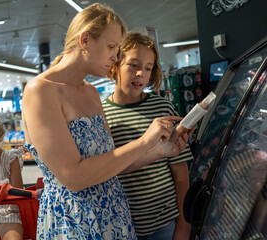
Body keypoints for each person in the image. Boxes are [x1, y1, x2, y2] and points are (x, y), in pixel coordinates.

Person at [22, 3, 188, 239]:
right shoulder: (40, 91)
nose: (115, 56)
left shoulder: (90, 92)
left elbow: (110, 164)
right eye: (111, 47)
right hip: (75, 221)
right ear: (85, 40)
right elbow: (74, 177)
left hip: (115, 215)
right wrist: (144, 141)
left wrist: (159, 151)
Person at [102, 32, 193, 240]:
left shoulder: (163, 107)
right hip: (118, 226)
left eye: (148, 68)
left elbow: (180, 171)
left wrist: (183, 226)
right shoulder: (100, 114)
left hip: (164, 223)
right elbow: (103, 169)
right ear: (115, 64)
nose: (140, 73)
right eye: (133, 65)